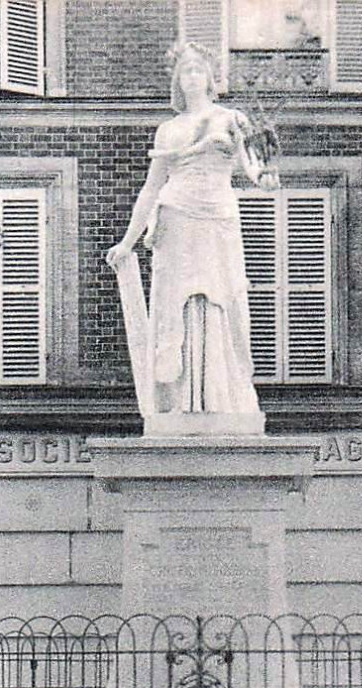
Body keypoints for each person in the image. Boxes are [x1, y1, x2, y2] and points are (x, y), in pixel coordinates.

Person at [105, 43, 280, 417]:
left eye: (199, 70)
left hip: (218, 216)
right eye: (185, 71)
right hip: (177, 213)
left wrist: (264, 177)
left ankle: (223, 396)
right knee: (176, 303)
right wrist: (127, 242)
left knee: (223, 300)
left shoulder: (232, 118)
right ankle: (179, 399)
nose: (192, 77)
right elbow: (152, 188)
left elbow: (254, 165)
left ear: (211, 77)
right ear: (177, 80)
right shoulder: (168, 130)